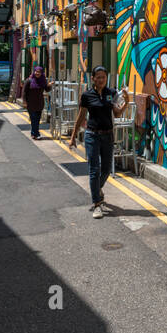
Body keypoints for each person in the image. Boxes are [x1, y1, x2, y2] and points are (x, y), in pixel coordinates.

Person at [69, 66, 129, 219]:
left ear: (106, 78)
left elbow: (116, 113)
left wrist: (126, 103)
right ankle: (97, 203)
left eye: (103, 77)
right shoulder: (87, 95)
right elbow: (81, 116)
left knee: (107, 169)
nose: (101, 80)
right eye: (98, 77)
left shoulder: (111, 93)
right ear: (93, 78)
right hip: (92, 136)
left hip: (108, 136)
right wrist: (73, 136)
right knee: (94, 170)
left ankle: (97, 189)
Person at [23, 65, 51, 139]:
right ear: (34, 72)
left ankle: (34, 133)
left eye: (39, 72)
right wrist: (24, 102)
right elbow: (24, 92)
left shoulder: (42, 81)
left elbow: (47, 89)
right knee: (33, 119)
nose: (37, 73)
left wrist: (49, 85)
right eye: (36, 71)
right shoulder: (29, 80)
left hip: (39, 103)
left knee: (37, 120)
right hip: (30, 103)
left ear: (41, 73)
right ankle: (36, 134)